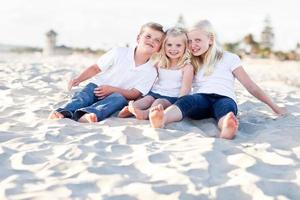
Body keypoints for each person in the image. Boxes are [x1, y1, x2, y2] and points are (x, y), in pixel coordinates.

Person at [149, 20, 287, 139]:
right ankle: (162, 118)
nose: (193, 45)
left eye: (198, 40)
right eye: (189, 41)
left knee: (226, 110)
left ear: (210, 40)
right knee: (187, 101)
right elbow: (167, 62)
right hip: (201, 98)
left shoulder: (229, 58)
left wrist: (275, 107)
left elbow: (250, 86)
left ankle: (227, 126)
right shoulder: (189, 62)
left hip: (224, 97)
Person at [48, 22, 165, 123]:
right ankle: (62, 112)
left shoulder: (151, 71)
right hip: (97, 87)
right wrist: (79, 79)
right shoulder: (119, 52)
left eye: (157, 40)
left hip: (117, 94)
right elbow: (96, 68)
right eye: (148, 36)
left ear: (159, 47)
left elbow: (135, 94)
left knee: (118, 100)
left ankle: (88, 115)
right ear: (138, 38)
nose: (151, 41)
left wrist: (112, 90)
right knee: (84, 98)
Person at [118, 27, 194, 120]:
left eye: (178, 45)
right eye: (169, 45)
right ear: (164, 46)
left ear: (185, 47)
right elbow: (150, 79)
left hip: (172, 98)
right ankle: (131, 109)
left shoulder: (187, 67)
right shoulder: (159, 63)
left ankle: (145, 114)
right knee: (147, 100)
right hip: (155, 92)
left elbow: (186, 89)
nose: (173, 48)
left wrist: (179, 105)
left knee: (158, 102)